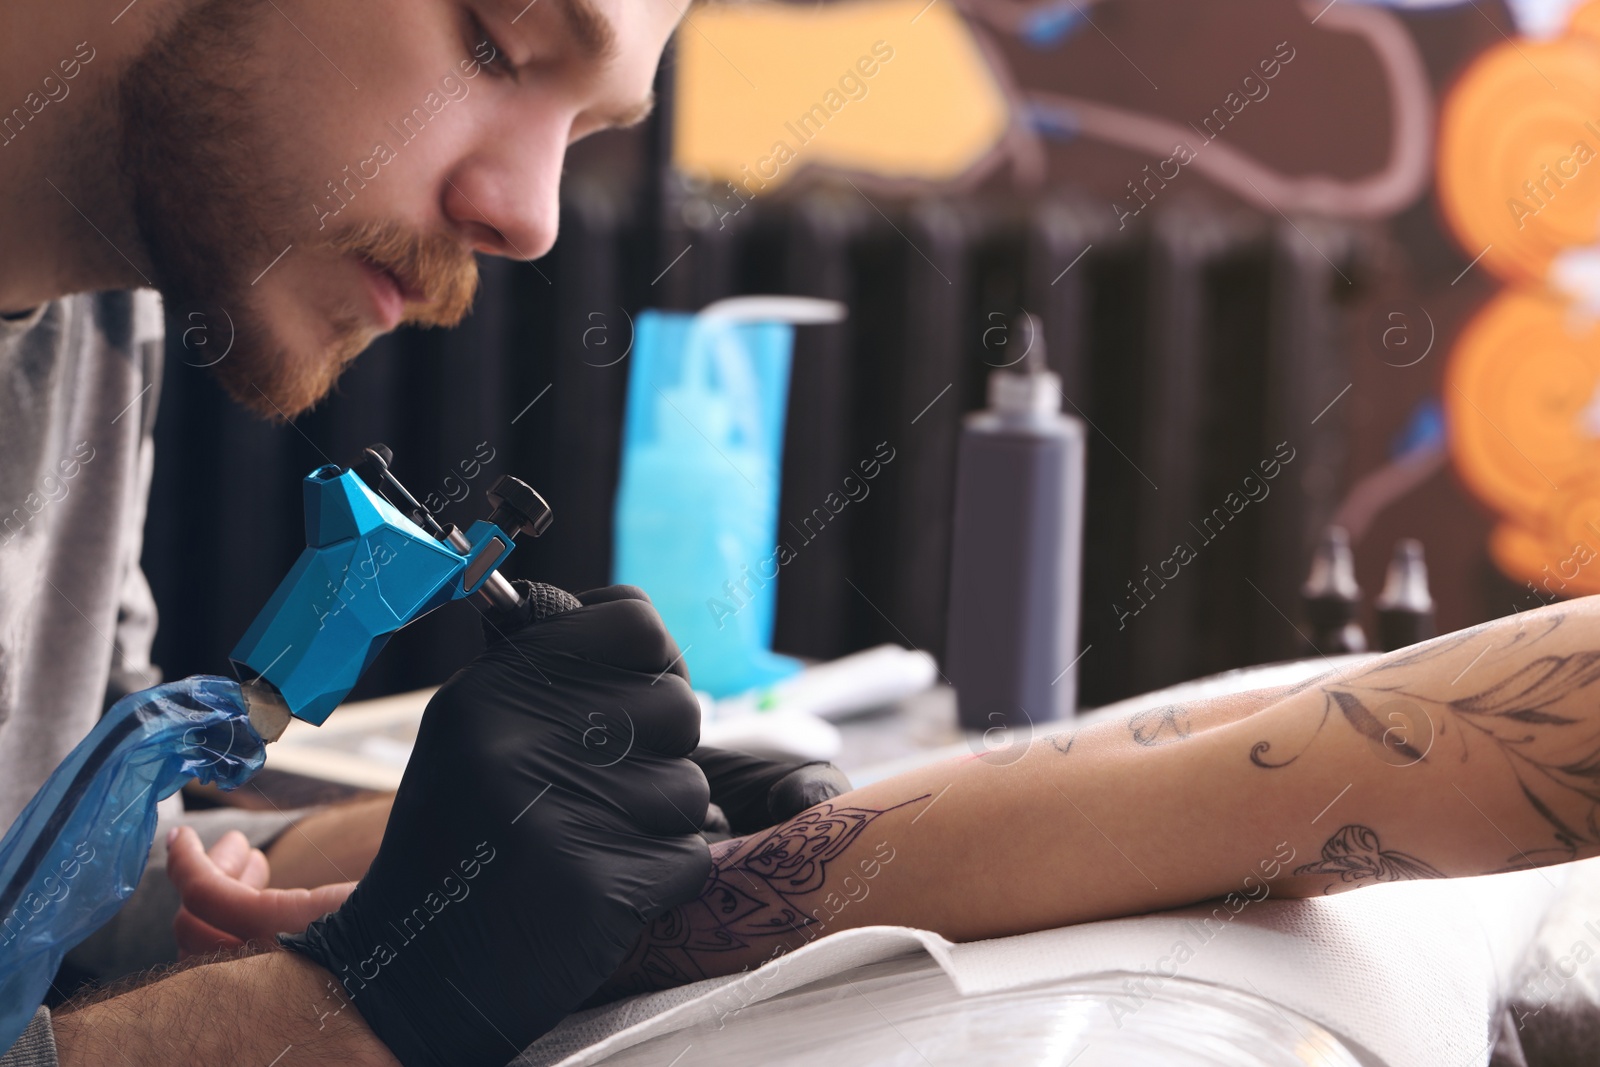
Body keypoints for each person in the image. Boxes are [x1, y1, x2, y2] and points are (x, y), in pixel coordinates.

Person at [1, 1, 858, 1064]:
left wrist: (501, 850)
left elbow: (64, 859)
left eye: (585, 130)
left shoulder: (98, 319)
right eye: (494, 45)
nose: (533, 220)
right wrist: (363, 1009)